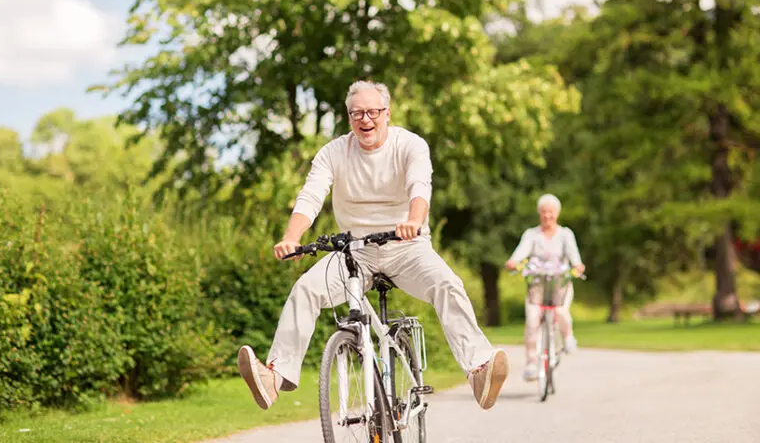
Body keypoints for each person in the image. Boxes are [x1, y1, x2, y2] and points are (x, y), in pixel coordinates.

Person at [236, 80, 510, 412]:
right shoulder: (334, 152)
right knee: (305, 289)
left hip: (406, 246)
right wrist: (291, 237)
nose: (365, 120)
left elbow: (419, 186)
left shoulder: (410, 145)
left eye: (372, 112)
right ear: (349, 117)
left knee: (447, 284)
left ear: (387, 113)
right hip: (354, 251)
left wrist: (414, 220)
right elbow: (311, 196)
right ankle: (274, 377)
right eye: (357, 114)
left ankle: (479, 369)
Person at [504, 194, 586, 382]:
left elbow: (574, 257)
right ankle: (532, 363)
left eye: (551, 212)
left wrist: (577, 265)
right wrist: (513, 262)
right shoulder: (532, 234)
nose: (547, 216)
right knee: (532, 320)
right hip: (537, 284)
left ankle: (568, 338)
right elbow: (521, 252)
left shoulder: (565, 234)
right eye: (544, 212)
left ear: (557, 213)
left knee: (560, 311)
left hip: (559, 284)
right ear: (539, 214)